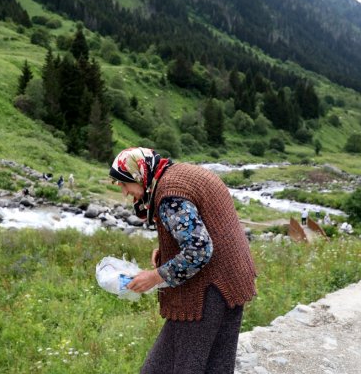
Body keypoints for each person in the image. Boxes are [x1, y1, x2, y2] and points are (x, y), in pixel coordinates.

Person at [108, 147, 257, 374]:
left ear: (140, 174)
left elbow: (198, 250)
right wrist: (167, 248)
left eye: (125, 183)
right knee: (216, 363)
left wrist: (154, 277)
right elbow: (204, 224)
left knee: (172, 366)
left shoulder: (170, 194)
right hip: (233, 276)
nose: (125, 192)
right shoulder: (179, 173)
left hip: (210, 289)